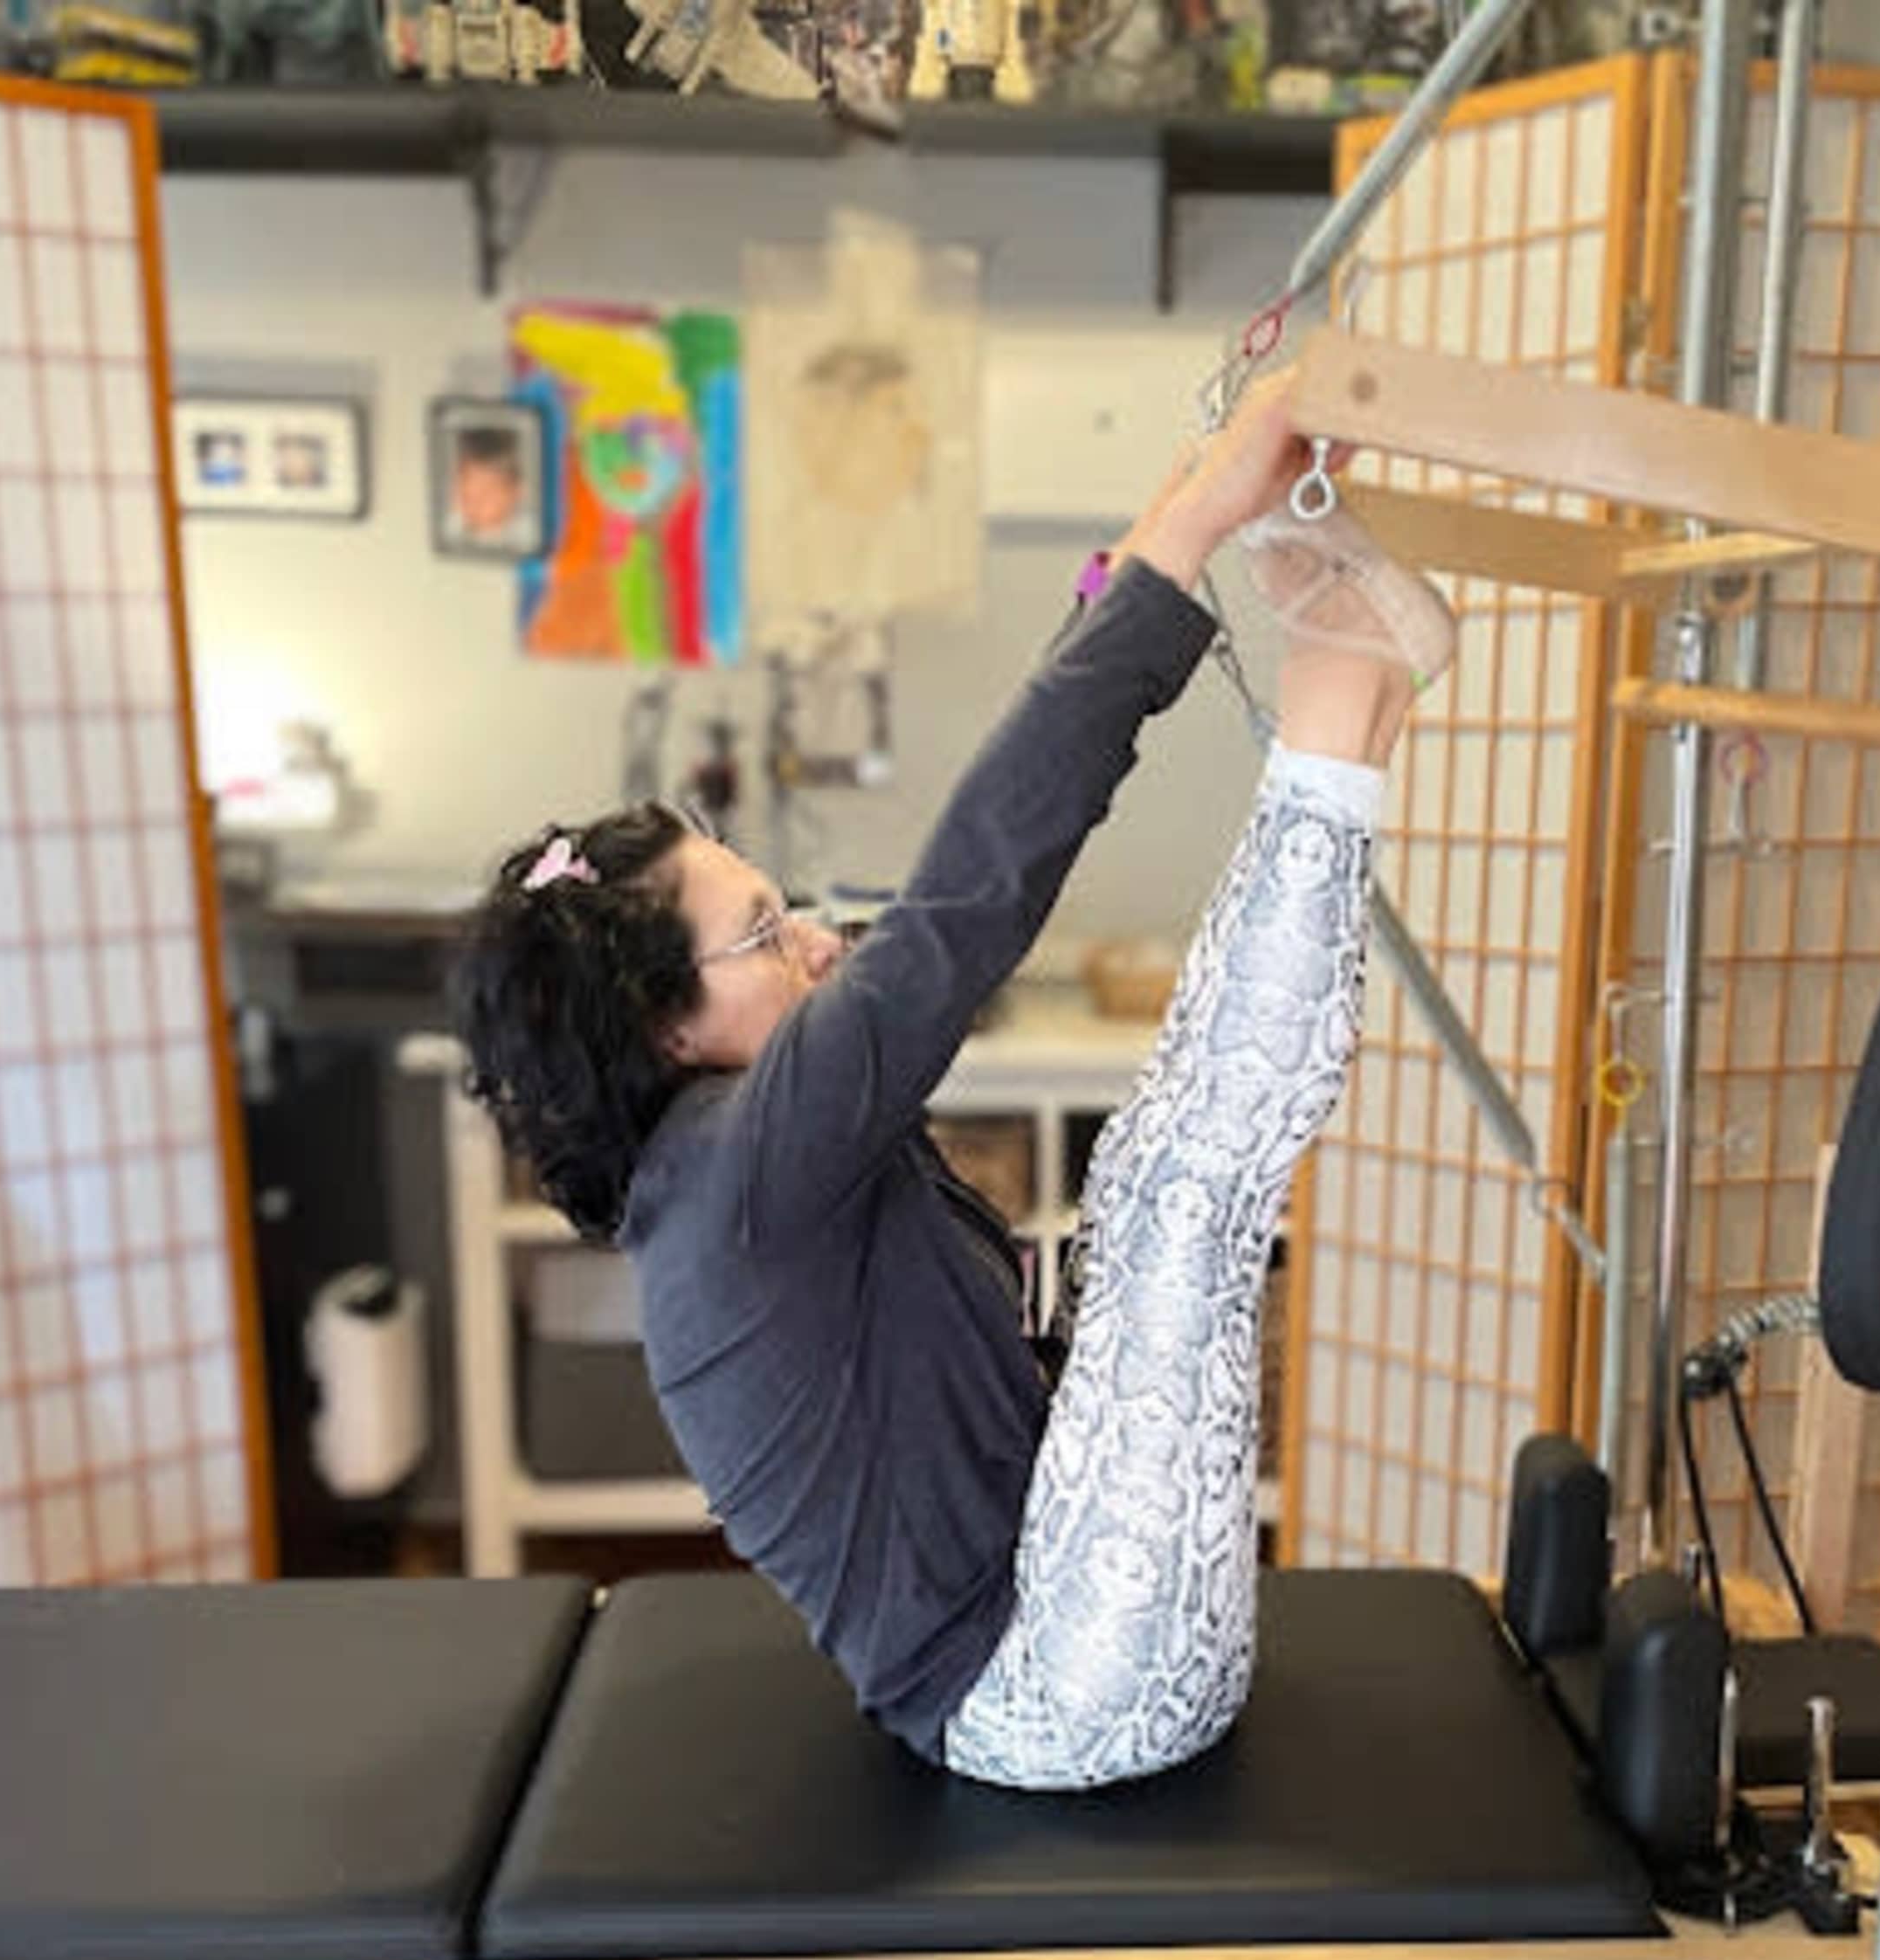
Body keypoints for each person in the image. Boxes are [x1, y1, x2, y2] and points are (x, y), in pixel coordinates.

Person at [453, 371, 1455, 1790]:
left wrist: (1187, 509)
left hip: (1067, 1614)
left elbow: (1000, 802)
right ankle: (1344, 698)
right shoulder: (741, 1171)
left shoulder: (728, 1159)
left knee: (1138, 1202)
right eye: (761, 933)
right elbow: (975, 883)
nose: (811, 940)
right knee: (1177, 1199)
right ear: (663, 1029)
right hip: (1056, 1693)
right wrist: (1221, 503)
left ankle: (1355, 694)